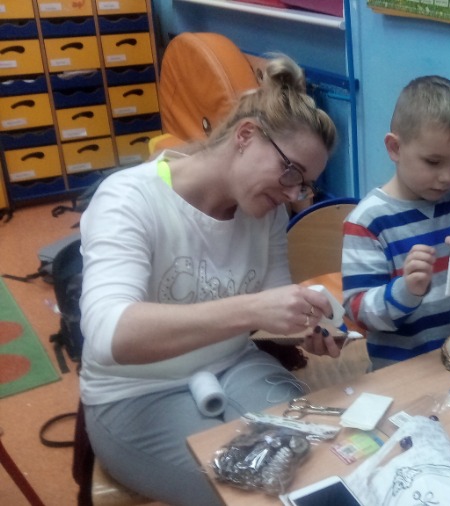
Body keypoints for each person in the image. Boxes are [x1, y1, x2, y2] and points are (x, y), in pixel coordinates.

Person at [78, 54, 340, 506]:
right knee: (258, 490)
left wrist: (308, 323)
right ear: (245, 136)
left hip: (236, 366)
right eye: (290, 172)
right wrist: (254, 309)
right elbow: (108, 334)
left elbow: (273, 309)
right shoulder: (129, 198)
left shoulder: (267, 211)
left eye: (303, 184)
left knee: (325, 459)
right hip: (136, 394)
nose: (291, 193)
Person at [341, 75, 450, 370]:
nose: (447, 177)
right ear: (395, 148)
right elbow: (358, 312)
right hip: (404, 369)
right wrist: (406, 290)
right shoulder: (367, 221)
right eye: (433, 162)